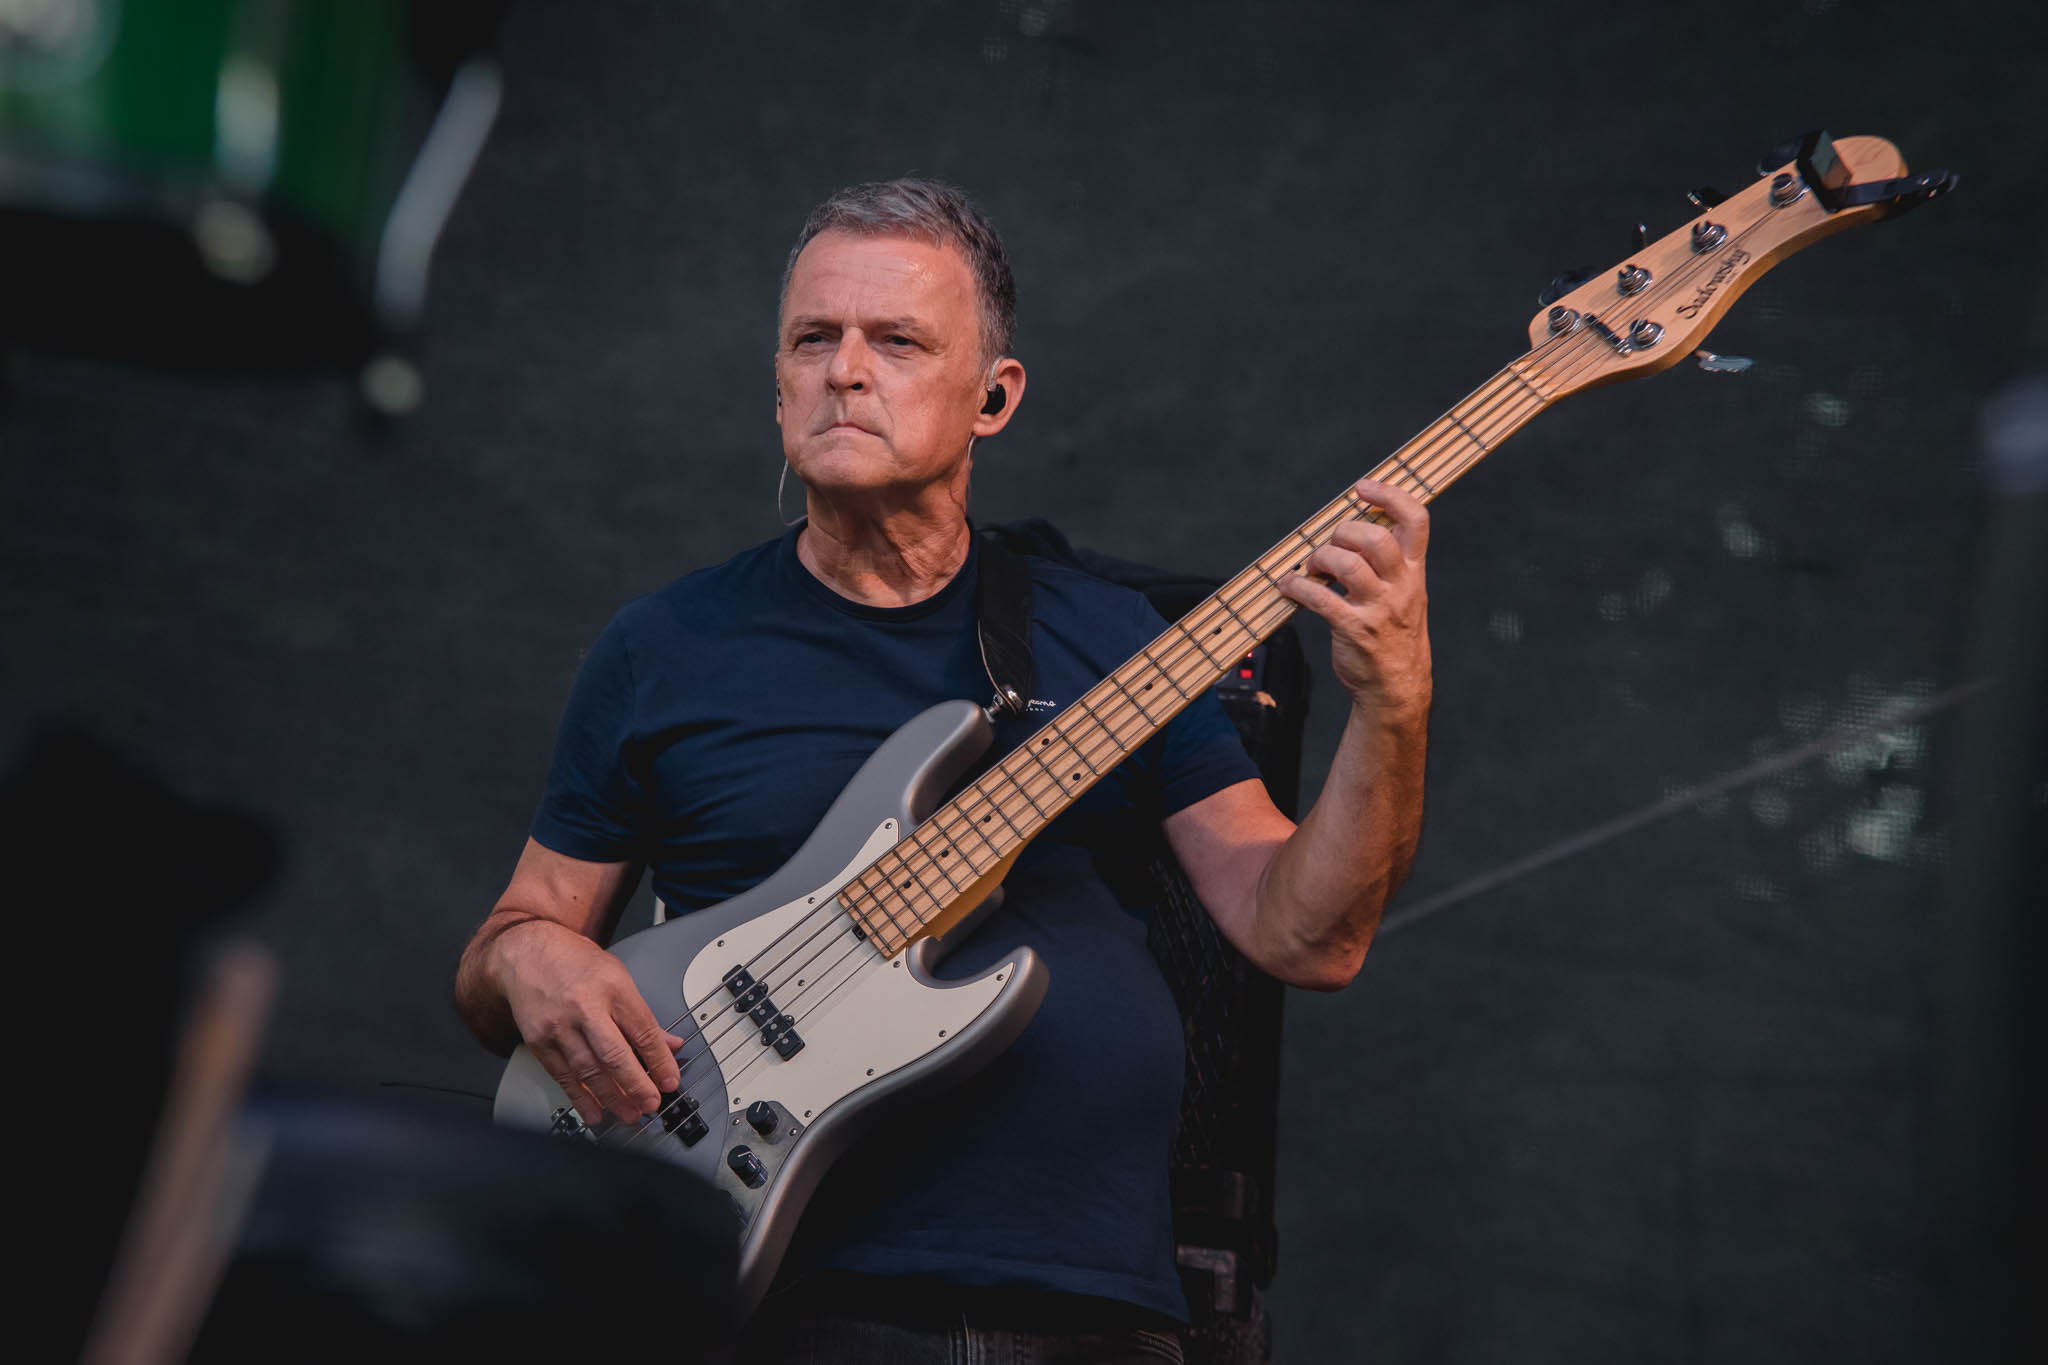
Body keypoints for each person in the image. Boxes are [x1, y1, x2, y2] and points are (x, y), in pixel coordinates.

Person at [454, 178, 1431, 1362]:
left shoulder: (1115, 640)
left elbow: (1306, 936)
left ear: (992, 398)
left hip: (1094, 1309)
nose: (844, 371)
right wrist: (528, 959)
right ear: (775, 382)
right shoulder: (665, 646)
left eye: (897, 342)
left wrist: (1393, 707)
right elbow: (506, 948)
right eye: (812, 339)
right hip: (789, 1301)